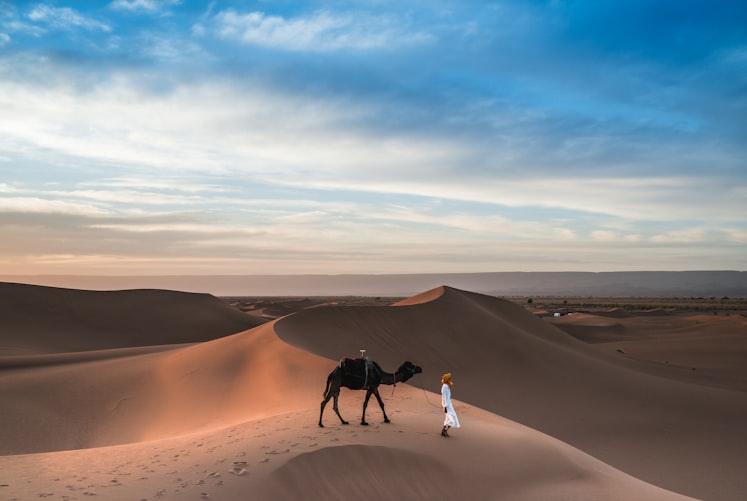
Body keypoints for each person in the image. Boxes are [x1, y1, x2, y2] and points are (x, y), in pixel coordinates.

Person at [440, 372, 460, 437]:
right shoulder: (445, 386)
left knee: (448, 418)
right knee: (452, 419)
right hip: (447, 405)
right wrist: (445, 406)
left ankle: (444, 431)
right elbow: (444, 397)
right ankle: (444, 430)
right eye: (449, 378)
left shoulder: (447, 385)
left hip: (449, 404)